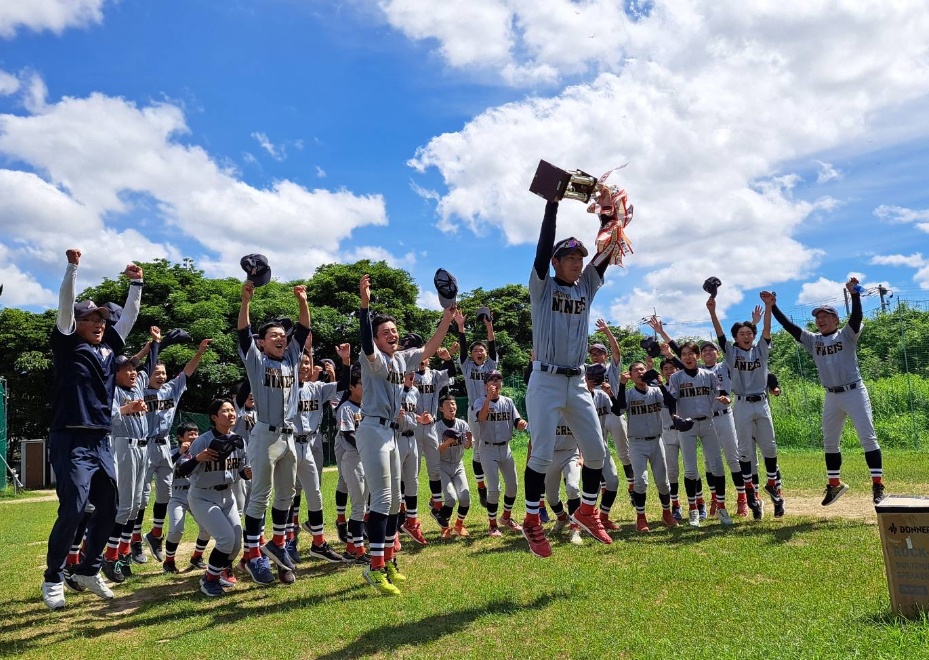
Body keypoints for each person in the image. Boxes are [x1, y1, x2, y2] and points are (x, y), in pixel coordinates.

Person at [41, 249, 144, 611]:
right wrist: (72, 268)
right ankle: (54, 576)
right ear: (77, 322)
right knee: (74, 507)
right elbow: (66, 305)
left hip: (101, 439)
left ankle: (88, 568)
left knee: (110, 506)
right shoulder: (68, 345)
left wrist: (136, 284)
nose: (99, 323)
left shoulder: (109, 350)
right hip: (70, 437)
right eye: (91, 318)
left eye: (101, 318)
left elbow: (128, 319)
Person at [522, 198, 615, 558]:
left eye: (581, 258)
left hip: (577, 381)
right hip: (544, 379)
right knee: (542, 453)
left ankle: (588, 511)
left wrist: (610, 215)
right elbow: (543, 247)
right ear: (556, 263)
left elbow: (606, 251)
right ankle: (532, 520)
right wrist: (552, 206)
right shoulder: (542, 287)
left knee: (596, 452)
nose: (578, 263)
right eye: (571, 258)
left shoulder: (586, 286)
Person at [356, 274, 455, 595]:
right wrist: (364, 305)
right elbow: (364, 340)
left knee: (396, 499)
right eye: (385, 332)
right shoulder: (370, 358)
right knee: (383, 498)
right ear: (376, 338)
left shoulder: (402, 358)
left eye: (394, 330)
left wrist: (446, 318)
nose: (393, 334)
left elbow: (431, 346)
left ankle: (387, 560)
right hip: (372, 428)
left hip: (392, 431)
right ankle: (374, 567)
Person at [770, 278, 886, 505]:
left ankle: (877, 485)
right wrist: (773, 307)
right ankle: (834, 485)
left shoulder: (846, 335)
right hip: (831, 395)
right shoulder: (813, 341)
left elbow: (856, 318)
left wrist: (854, 295)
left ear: (836, 319)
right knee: (830, 442)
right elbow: (790, 328)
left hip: (854, 391)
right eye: (817, 317)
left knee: (867, 438)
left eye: (824, 316)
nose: (820, 320)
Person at [237, 281, 310, 585]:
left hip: (289, 435)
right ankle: (253, 556)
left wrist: (302, 301)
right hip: (265, 435)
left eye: (283, 335)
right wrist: (246, 302)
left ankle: (278, 547)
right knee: (259, 497)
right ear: (263, 342)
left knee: (287, 495)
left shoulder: (292, 359)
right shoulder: (257, 360)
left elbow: (304, 329)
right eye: (273, 335)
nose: (280, 338)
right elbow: (243, 333)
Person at [708, 293, 784, 518]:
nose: (746, 336)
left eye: (749, 333)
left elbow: (767, 330)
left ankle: (773, 485)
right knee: (745, 452)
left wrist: (769, 307)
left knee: (769, 447)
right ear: (736, 337)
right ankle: (750, 490)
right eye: (742, 334)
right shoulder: (731, 354)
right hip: (741, 404)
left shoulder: (761, 349)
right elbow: (720, 334)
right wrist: (712, 311)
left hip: (761, 403)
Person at [140, 338, 213, 563]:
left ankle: (155, 534)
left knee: (165, 492)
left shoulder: (171, 389)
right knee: (139, 498)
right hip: (142, 444)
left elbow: (186, 372)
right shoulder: (139, 390)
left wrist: (199, 352)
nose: (161, 376)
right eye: (156, 372)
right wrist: (150, 347)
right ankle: (133, 542)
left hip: (162, 443)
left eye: (163, 372)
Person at [102, 333, 159, 581]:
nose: (133, 372)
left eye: (133, 369)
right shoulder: (110, 390)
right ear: (115, 373)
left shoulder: (136, 386)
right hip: (123, 446)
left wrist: (154, 344)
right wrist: (128, 408)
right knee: (124, 505)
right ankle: (110, 555)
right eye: (126, 369)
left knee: (136, 506)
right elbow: (108, 417)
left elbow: (148, 363)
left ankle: (123, 553)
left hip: (143, 448)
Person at [180, 399, 251, 597]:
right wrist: (197, 458)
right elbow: (181, 470)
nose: (231, 414)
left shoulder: (238, 440)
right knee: (225, 539)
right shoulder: (202, 441)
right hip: (203, 495)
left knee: (236, 543)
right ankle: (209, 579)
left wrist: (249, 472)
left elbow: (241, 472)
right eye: (225, 411)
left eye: (232, 410)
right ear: (214, 417)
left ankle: (219, 571)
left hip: (227, 495)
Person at [665, 341, 733, 528]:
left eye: (691, 353)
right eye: (684, 354)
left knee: (717, 466)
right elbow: (671, 399)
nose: (687, 357)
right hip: (687, 424)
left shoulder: (709, 375)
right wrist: (674, 416)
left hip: (707, 422)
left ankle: (721, 507)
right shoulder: (676, 378)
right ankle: (693, 510)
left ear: (698, 356)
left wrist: (726, 398)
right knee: (690, 469)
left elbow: (721, 392)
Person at [615, 362, 678, 532]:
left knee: (663, 483)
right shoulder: (628, 393)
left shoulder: (656, 391)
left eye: (642, 369)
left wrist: (660, 383)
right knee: (640, 482)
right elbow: (619, 409)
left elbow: (671, 401)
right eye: (635, 370)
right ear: (630, 375)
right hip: (637, 443)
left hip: (657, 441)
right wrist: (621, 384)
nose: (639, 372)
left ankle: (666, 514)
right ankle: (641, 518)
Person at [473, 370, 527, 537]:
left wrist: (521, 424)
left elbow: (516, 420)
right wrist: (489, 398)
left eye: (498, 379)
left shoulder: (508, 402)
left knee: (513, 486)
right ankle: (492, 525)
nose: (495, 382)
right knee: (494, 489)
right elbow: (481, 418)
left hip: (505, 448)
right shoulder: (479, 401)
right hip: (487, 448)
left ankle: (506, 517)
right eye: (492, 380)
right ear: (485, 385)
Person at [454, 308, 498, 509]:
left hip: (493, 409)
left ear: (486, 355)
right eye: (475, 351)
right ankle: (482, 486)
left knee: (495, 445)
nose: (478, 352)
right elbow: (462, 349)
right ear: (471, 355)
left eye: (481, 350)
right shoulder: (467, 366)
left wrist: (489, 326)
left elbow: (492, 344)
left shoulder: (491, 366)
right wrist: (461, 327)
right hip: (474, 410)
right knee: (479, 448)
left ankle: (492, 482)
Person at [412, 343, 458, 528]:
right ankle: (406, 514)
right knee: (412, 472)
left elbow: (452, 372)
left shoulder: (435, 375)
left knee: (435, 468)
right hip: (412, 427)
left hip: (430, 427)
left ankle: (437, 506)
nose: (422, 360)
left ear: (429, 359)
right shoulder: (407, 376)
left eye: (425, 357)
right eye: (419, 357)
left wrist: (447, 358)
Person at [591, 320, 634, 506]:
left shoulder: (611, 368)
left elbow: (617, 352)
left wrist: (607, 331)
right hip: (596, 415)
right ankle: (604, 486)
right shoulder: (588, 371)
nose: (595, 356)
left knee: (624, 452)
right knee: (600, 451)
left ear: (605, 355)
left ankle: (632, 487)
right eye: (592, 353)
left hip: (614, 412)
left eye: (598, 352)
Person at [161, 422, 213, 574]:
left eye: (196, 433)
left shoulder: (201, 453)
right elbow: (163, 468)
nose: (194, 436)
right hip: (176, 494)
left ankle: (197, 557)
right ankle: (169, 562)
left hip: (195, 493)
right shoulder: (172, 452)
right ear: (179, 437)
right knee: (176, 529)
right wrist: (180, 453)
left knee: (207, 527)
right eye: (190, 433)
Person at [334, 368, 369, 564]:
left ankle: (350, 549)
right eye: (362, 383)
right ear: (352, 387)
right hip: (353, 457)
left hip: (365, 457)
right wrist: (366, 449)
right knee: (357, 506)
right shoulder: (345, 408)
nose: (365, 387)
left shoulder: (367, 406)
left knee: (362, 505)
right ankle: (359, 551)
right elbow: (348, 434)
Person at [436, 397, 473, 538]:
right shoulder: (438, 426)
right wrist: (449, 441)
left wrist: (469, 439)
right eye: (447, 404)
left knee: (465, 497)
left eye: (453, 403)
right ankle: (444, 526)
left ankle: (459, 525)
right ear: (441, 409)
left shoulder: (462, 424)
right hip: (442, 465)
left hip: (458, 464)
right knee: (451, 498)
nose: (451, 406)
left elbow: (467, 446)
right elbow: (437, 450)